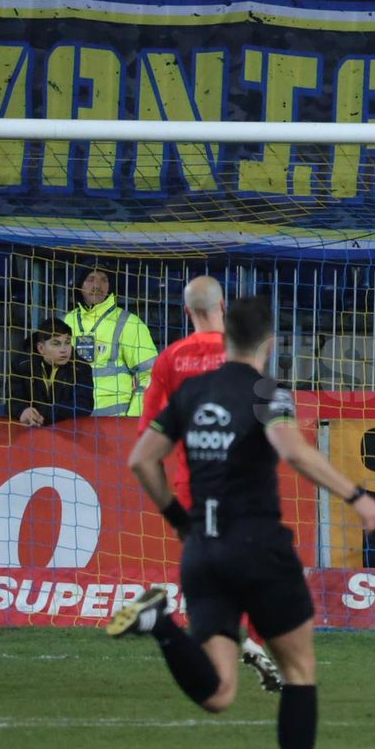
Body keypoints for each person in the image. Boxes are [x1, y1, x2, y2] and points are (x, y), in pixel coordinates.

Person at [109, 295, 375, 749]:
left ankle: (159, 622)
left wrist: (179, 519)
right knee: (300, 672)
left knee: (219, 692)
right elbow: (292, 450)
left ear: (226, 340)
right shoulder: (267, 391)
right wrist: (358, 495)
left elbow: (141, 459)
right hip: (258, 547)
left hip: (203, 551)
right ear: (269, 342)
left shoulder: (190, 394)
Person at [139, 274, 284, 694]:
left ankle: (228, 640)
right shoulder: (240, 351)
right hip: (245, 479)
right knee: (259, 560)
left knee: (214, 567)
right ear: (223, 307)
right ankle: (257, 640)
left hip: (194, 481)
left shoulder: (170, 358)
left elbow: (150, 434)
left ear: (186, 311)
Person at [63, 262, 157, 417]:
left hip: (116, 426)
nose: (97, 285)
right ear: (80, 284)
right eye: (91, 279)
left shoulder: (129, 322)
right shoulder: (66, 321)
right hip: (72, 425)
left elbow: (151, 375)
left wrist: (132, 418)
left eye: (104, 280)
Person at [8, 318, 94, 427]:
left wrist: (44, 414)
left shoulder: (81, 368)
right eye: (56, 344)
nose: (64, 349)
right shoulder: (21, 365)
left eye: (67, 343)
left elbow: (84, 406)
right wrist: (23, 411)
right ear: (41, 348)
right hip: (29, 433)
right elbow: (12, 400)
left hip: (68, 433)